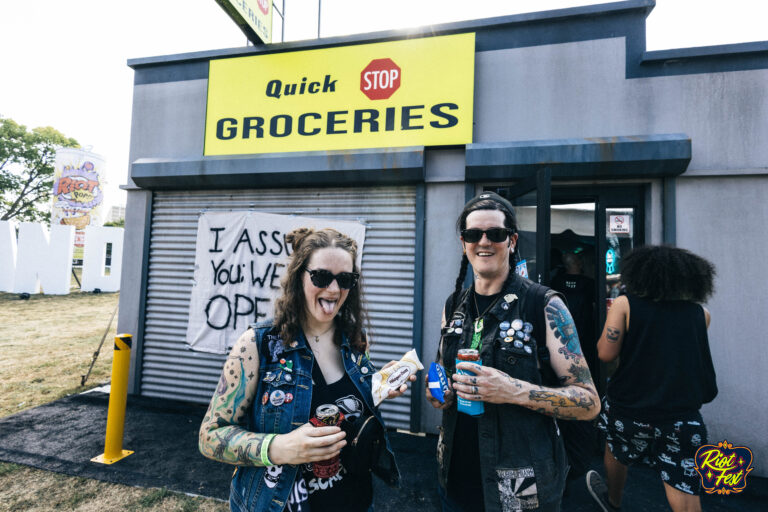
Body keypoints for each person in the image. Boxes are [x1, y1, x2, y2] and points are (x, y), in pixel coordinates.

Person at [199, 227, 414, 512]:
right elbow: (211, 436)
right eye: (322, 277)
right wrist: (280, 447)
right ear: (299, 276)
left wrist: (377, 385)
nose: (334, 289)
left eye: (345, 279)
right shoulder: (257, 345)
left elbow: (344, 402)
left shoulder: (355, 339)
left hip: (355, 500)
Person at [426, 192, 600, 512]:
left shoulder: (544, 305)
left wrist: (513, 390)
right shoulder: (453, 305)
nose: (484, 242)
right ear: (462, 242)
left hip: (518, 484)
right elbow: (442, 370)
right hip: (453, 474)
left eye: (496, 234)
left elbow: (588, 402)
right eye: (473, 234)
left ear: (512, 240)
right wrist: (440, 393)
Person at [586, 245, 717, 512]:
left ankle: (613, 501)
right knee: (683, 485)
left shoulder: (625, 304)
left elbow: (605, 354)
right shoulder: (700, 313)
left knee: (616, 446)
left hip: (630, 407)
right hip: (681, 415)